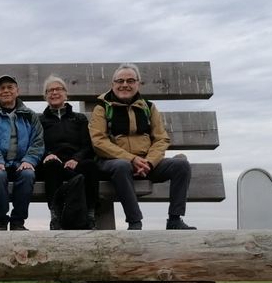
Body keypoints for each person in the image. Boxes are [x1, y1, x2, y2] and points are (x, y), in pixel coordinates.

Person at [89, 63, 196, 230]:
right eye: (120, 81)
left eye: (131, 80)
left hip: (146, 163)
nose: (125, 84)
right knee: (121, 165)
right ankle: (135, 222)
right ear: (113, 84)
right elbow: (99, 142)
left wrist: (149, 162)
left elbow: (161, 139)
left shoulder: (149, 107)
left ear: (138, 84)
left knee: (181, 165)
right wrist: (131, 159)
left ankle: (175, 219)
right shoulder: (101, 108)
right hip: (114, 163)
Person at [0, 75, 44, 230]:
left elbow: (38, 141)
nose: (6, 91)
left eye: (10, 87)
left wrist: (29, 160)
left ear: (17, 91)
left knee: (28, 175)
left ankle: (18, 221)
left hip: (21, 163)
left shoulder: (29, 115)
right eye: (2, 88)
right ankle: (1, 221)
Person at [37, 75, 100, 229]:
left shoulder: (79, 119)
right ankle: (56, 216)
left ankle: (90, 215)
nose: (54, 92)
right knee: (51, 166)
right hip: (53, 163)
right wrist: (47, 154)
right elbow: (36, 143)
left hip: (76, 163)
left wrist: (76, 158)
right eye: (50, 90)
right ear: (45, 96)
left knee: (91, 166)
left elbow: (87, 146)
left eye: (58, 89)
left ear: (66, 94)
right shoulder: (40, 120)